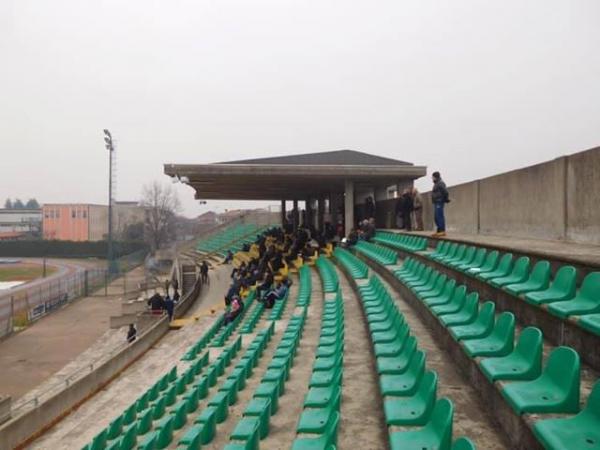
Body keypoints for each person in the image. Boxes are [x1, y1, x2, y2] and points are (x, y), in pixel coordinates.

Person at [431, 171, 449, 236]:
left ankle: (442, 230)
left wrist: (446, 199)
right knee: (436, 217)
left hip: (439, 201)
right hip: (436, 202)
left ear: (435, 177)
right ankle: (439, 230)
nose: (432, 178)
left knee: (439, 216)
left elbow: (446, 192)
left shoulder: (440, 183)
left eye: (432, 177)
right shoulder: (436, 184)